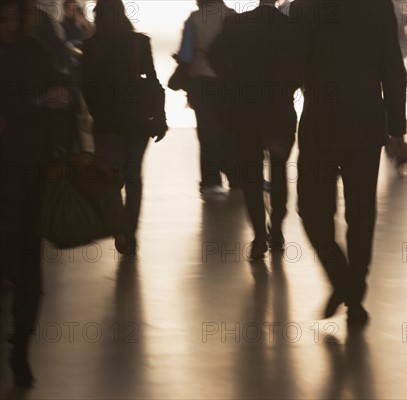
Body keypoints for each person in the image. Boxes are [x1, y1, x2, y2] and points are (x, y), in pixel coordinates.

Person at [290, 0, 407, 325]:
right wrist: (396, 127)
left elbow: (292, 66)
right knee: (361, 211)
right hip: (365, 119)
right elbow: (392, 68)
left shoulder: (304, 8)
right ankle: (351, 289)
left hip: (320, 122)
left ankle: (343, 282)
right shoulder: (377, 7)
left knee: (312, 210)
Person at [1, 0, 71, 386]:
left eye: (13, 18)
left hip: (27, 177)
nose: (8, 26)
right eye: (2, 19)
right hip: (20, 174)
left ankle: (20, 352)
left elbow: (61, 86)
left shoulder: (32, 51)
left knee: (29, 275)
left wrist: (57, 95)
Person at [208, 0, 297, 260]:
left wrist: (233, 79)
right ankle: (277, 227)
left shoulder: (237, 24)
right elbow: (301, 64)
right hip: (280, 110)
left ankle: (259, 235)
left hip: (246, 112)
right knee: (279, 170)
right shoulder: (289, 26)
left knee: (251, 175)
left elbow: (214, 55)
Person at [81, 0, 167, 255]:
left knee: (111, 177)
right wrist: (159, 117)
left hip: (107, 122)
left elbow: (86, 87)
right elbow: (152, 80)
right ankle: (129, 232)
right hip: (137, 120)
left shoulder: (91, 46)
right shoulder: (139, 43)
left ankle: (118, 227)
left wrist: (97, 113)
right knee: (134, 176)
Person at [177, 0, 239, 197]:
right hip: (228, 79)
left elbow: (186, 56)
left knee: (207, 130)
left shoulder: (194, 19)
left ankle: (211, 181)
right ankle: (236, 177)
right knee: (230, 128)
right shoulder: (232, 15)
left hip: (201, 78)